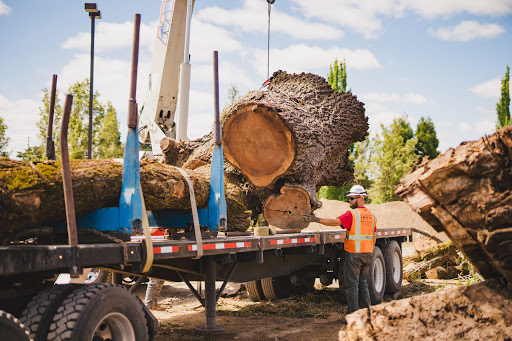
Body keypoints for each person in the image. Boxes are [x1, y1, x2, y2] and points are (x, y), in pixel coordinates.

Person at [303, 185, 377, 314]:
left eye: (352, 198)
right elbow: (374, 236)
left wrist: (316, 219)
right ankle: (367, 314)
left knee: (352, 285)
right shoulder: (372, 216)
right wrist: (369, 250)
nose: (349, 201)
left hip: (354, 254)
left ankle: (353, 316)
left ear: (360, 198)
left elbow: (335, 222)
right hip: (367, 254)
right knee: (363, 284)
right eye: (349, 198)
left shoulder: (353, 214)